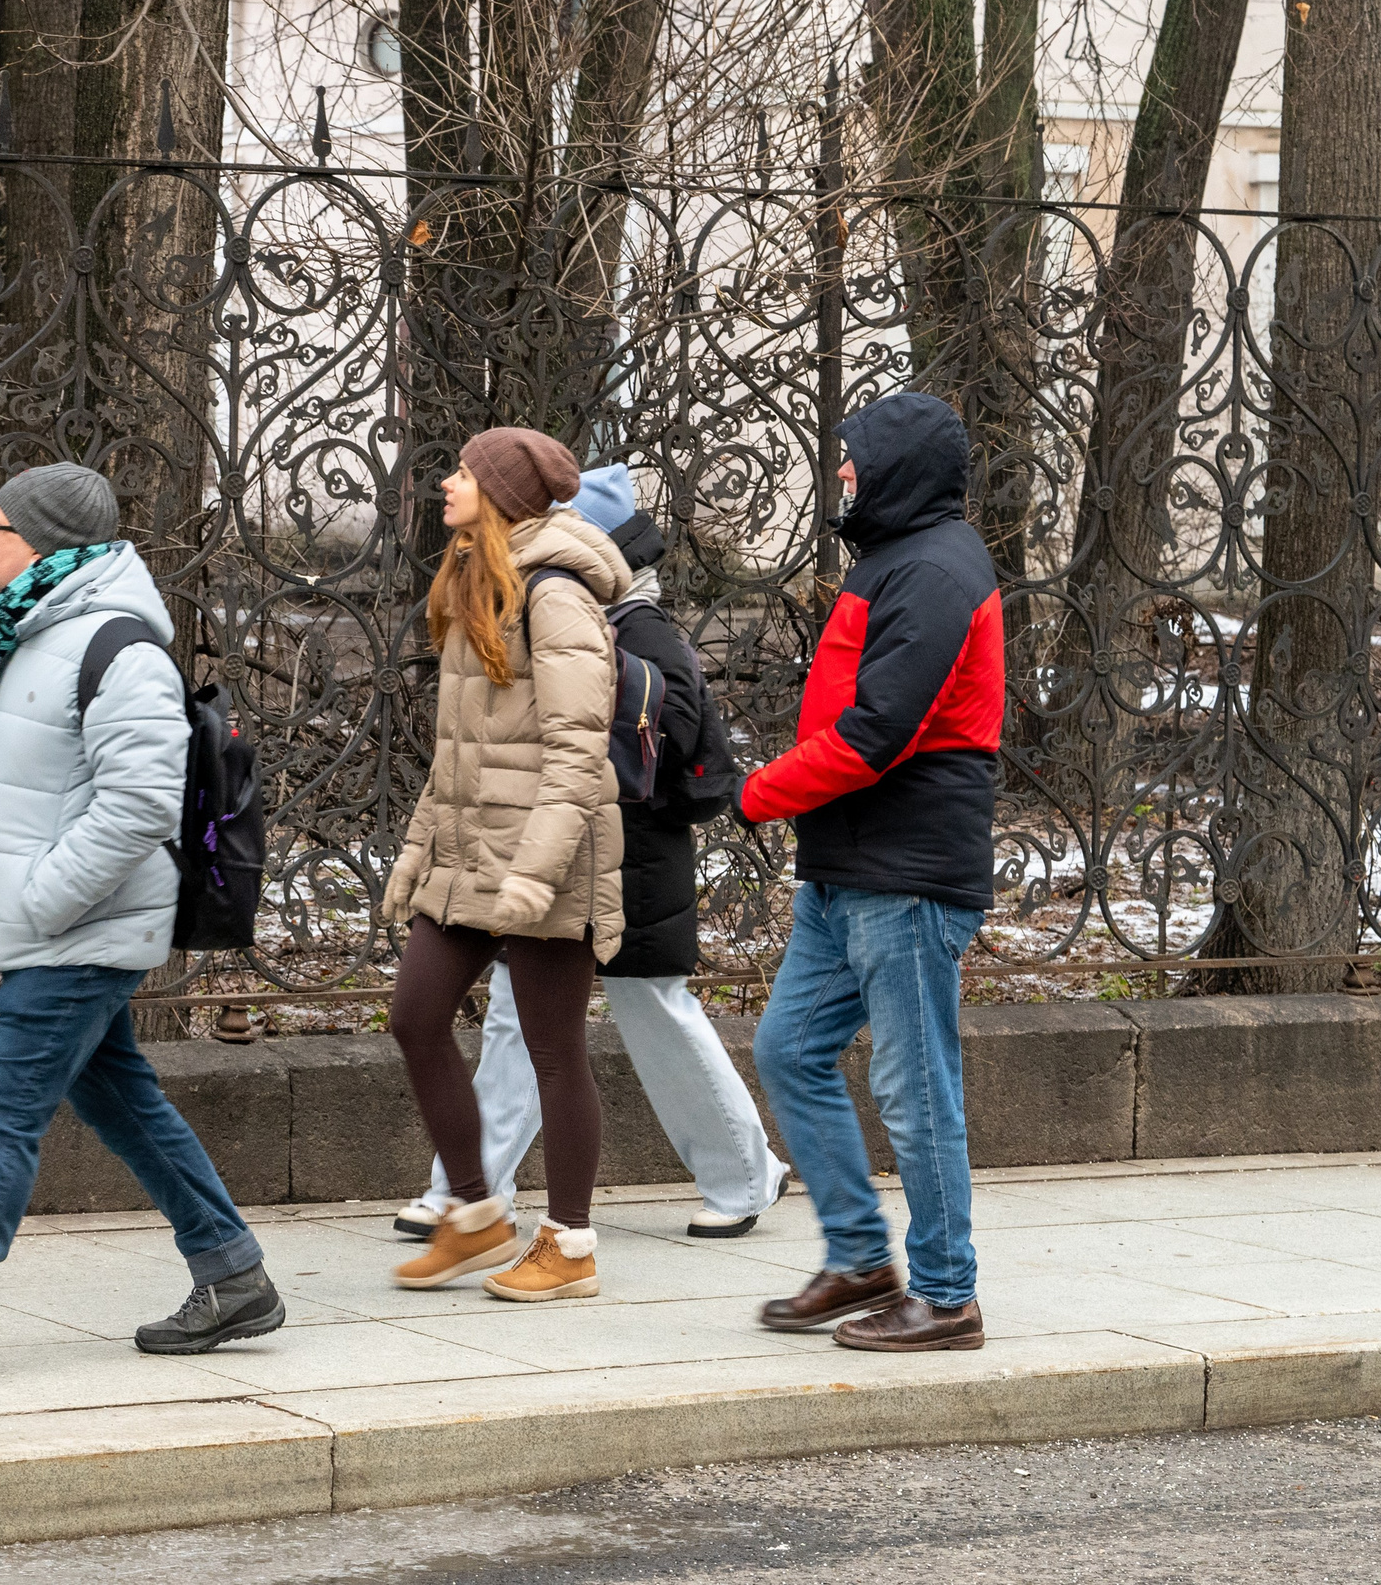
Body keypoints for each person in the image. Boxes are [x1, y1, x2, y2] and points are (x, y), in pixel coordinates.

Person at [0, 464, 283, 1386]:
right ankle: (233, 1272)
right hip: (58, 928)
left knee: (3, 1118)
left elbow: (139, 807)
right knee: (121, 1099)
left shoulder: (121, 651)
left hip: (79, 931)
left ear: (44, 543)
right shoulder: (18, 631)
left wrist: (40, 902)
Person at [393, 466, 789, 1250]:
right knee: (518, 1017)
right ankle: (468, 1192)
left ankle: (746, 1173)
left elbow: (655, 741)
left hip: (626, 854)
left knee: (651, 1014)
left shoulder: (630, 623)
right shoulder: (535, 602)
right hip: (560, 843)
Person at [741, 392, 1005, 1352]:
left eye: (852, 457)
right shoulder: (897, 560)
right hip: (849, 867)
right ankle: (861, 1258)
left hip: (907, 872)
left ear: (896, 465)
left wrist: (758, 792)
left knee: (916, 1088)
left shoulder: (938, 570)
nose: (841, 471)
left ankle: (946, 1294)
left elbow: (874, 734)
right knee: (790, 1049)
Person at [380, 427, 628, 1299]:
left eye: (464, 472)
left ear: (502, 493)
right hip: (470, 854)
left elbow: (575, 752)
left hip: (542, 860)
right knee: (415, 1016)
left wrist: (535, 871)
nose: (448, 482)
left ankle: (570, 1244)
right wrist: (418, 854)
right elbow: (457, 753)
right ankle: (478, 1215)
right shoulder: (480, 583)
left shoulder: (555, 596)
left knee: (554, 1050)